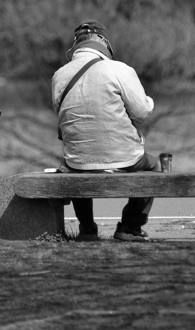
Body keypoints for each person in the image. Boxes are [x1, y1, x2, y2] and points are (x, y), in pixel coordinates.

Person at [52, 21, 160, 242]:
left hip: (77, 160)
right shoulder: (119, 69)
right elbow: (142, 113)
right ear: (103, 42)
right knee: (156, 168)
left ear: (76, 46)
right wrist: (148, 100)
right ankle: (130, 226)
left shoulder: (59, 75)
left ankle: (88, 228)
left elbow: (61, 116)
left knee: (75, 167)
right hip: (126, 157)